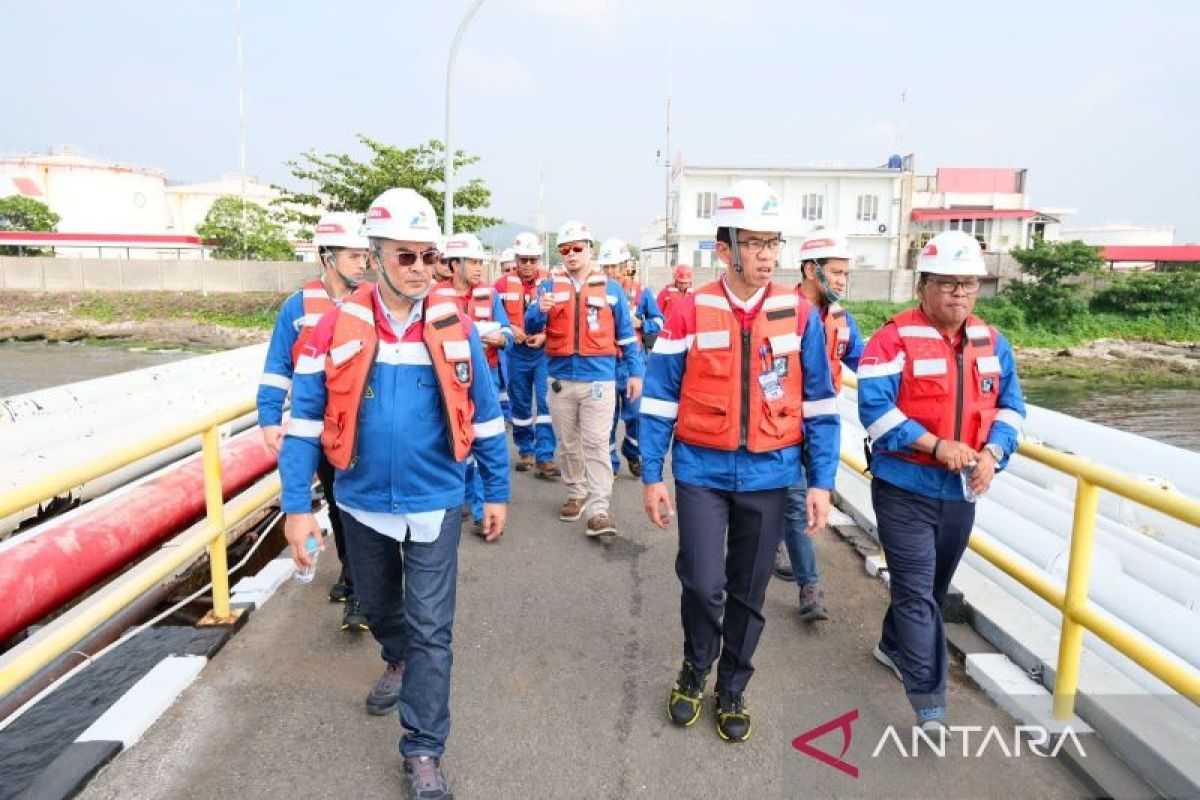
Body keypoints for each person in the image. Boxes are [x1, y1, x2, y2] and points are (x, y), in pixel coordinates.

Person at [279, 188, 509, 799]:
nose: (419, 269)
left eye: (428, 256)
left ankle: (423, 748)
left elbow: (484, 415)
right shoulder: (332, 328)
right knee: (381, 610)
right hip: (360, 503)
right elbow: (304, 419)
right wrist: (297, 508)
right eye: (404, 256)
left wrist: (495, 489)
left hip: (437, 500)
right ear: (374, 256)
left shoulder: (454, 326)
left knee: (434, 628)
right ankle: (396, 656)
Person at [640, 180, 841, 743]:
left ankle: (733, 685)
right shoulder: (688, 310)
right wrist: (652, 473)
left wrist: (821, 481)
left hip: (771, 473)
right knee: (703, 583)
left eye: (773, 243)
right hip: (701, 470)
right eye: (753, 243)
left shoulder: (798, 315)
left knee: (750, 590)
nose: (766, 255)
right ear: (724, 249)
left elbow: (822, 405)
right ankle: (694, 667)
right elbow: (658, 399)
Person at [857, 229, 1025, 735]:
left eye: (969, 284)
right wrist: (935, 445)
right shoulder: (892, 339)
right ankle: (930, 701)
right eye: (948, 283)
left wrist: (994, 454)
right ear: (923, 286)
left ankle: (891, 645)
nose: (959, 293)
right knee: (915, 592)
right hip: (904, 489)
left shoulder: (993, 343)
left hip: (961, 493)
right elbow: (875, 412)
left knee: (931, 586)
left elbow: (1011, 409)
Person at [257, 211, 370, 632]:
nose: (363, 264)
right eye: (354, 256)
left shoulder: (370, 303)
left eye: (365, 255)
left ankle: (359, 592)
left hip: (359, 428)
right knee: (339, 507)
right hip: (317, 429)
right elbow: (276, 367)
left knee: (355, 507)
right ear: (328, 257)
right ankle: (351, 574)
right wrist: (270, 418)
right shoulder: (298, 307)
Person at [525, 220, 643, 542]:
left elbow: (627, 338)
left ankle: (598, 509)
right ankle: (576, 492)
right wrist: (538, 309)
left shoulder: (612, 290)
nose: (572, 254)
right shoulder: (548, 287)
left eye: (578, 248)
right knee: (568, 443)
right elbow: (531, 324)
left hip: (598, 381)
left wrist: (635, 373)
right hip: (561, 379)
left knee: (596, 444)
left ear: (590, 249)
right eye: (565, 249)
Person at [772, 230, 865, 621]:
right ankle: (811, 587)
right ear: (811, 270)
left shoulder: (843, 321)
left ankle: (777, 543)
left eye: (846, 274)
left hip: (822, 431)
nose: (842, 281)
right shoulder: (782, 312)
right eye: (836, 272)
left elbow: (868, 367)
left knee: (803, 502)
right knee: (796, 504)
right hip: (785, 426)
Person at [436, 232, 514, 538]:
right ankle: (463, 498)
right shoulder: (433, 296)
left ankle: (483, 510)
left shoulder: (491, 295)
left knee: (484, 437)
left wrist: (500, 338)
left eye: (481, 261)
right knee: (453, 440)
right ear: (455, 264)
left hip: (486, 375)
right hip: (448, 380)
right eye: (474, 261)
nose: (480, 267)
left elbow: (507, 332)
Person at [597, 237, 663, 477]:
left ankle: (632, 450)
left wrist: (642, 323)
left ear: (625, 266)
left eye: (615, 266)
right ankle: (611, 463)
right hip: (606, 363)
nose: (611, 271)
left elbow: (659, 322)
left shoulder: (642, 293)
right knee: (607, 419)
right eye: (606, 266)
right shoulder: (595, 292)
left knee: (636, 414)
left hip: (633, 362)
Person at [497, 232, 559, 479]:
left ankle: (545, 456)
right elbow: (494, 314)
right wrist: (510, 329)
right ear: (516, 259)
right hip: (515, 352)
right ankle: (526, 450)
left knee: (546, 403)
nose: (528, 265)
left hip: (543, 352)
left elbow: (560, 317)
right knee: (520, 402)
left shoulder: (550, 283)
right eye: (524, 260)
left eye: (533, 260)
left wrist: (545, 335)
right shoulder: (501, 285)